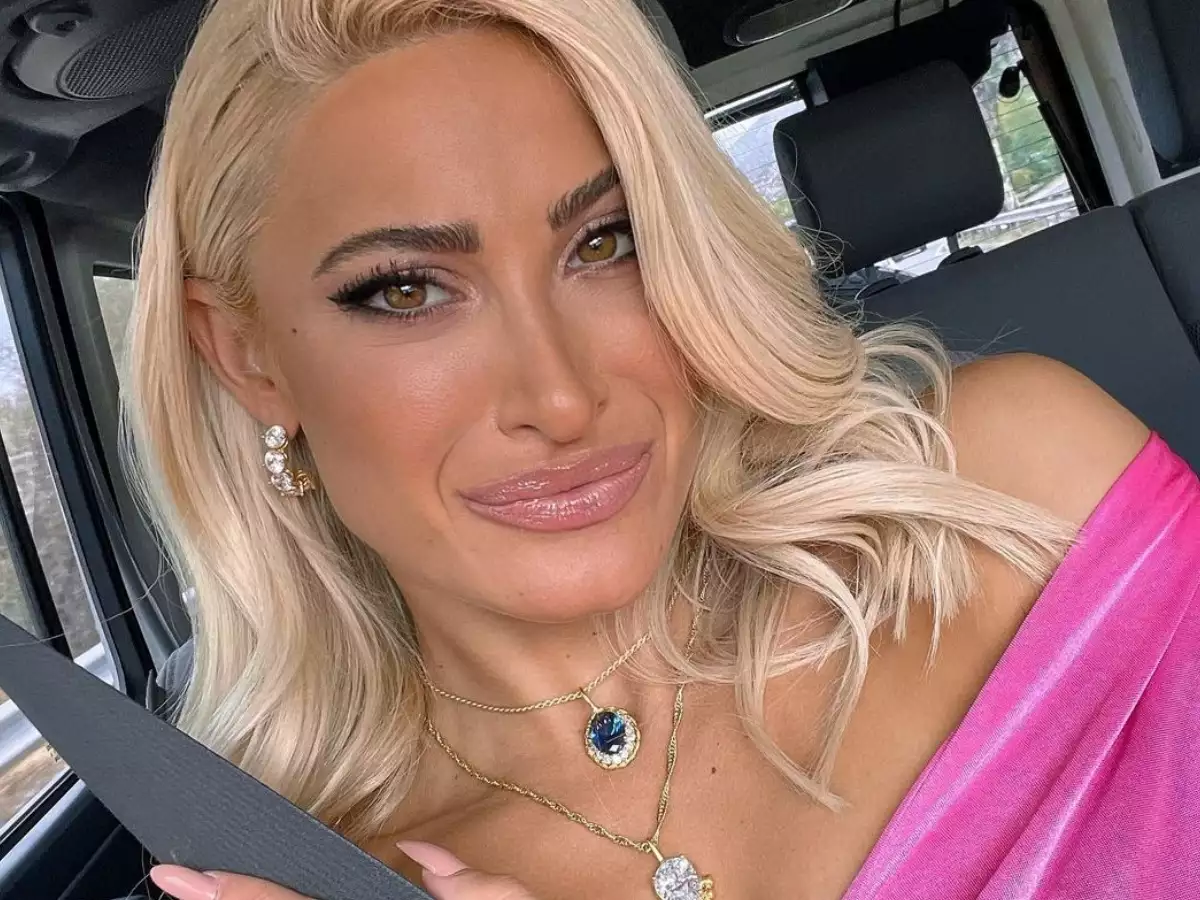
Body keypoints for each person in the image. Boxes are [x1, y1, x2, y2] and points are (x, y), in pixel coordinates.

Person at [125, 1, 1199, 899]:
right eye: (406, 291)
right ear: (246, 355)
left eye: (607, 242)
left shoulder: (1018, 502)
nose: (560, 396)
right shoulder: (324, 878)